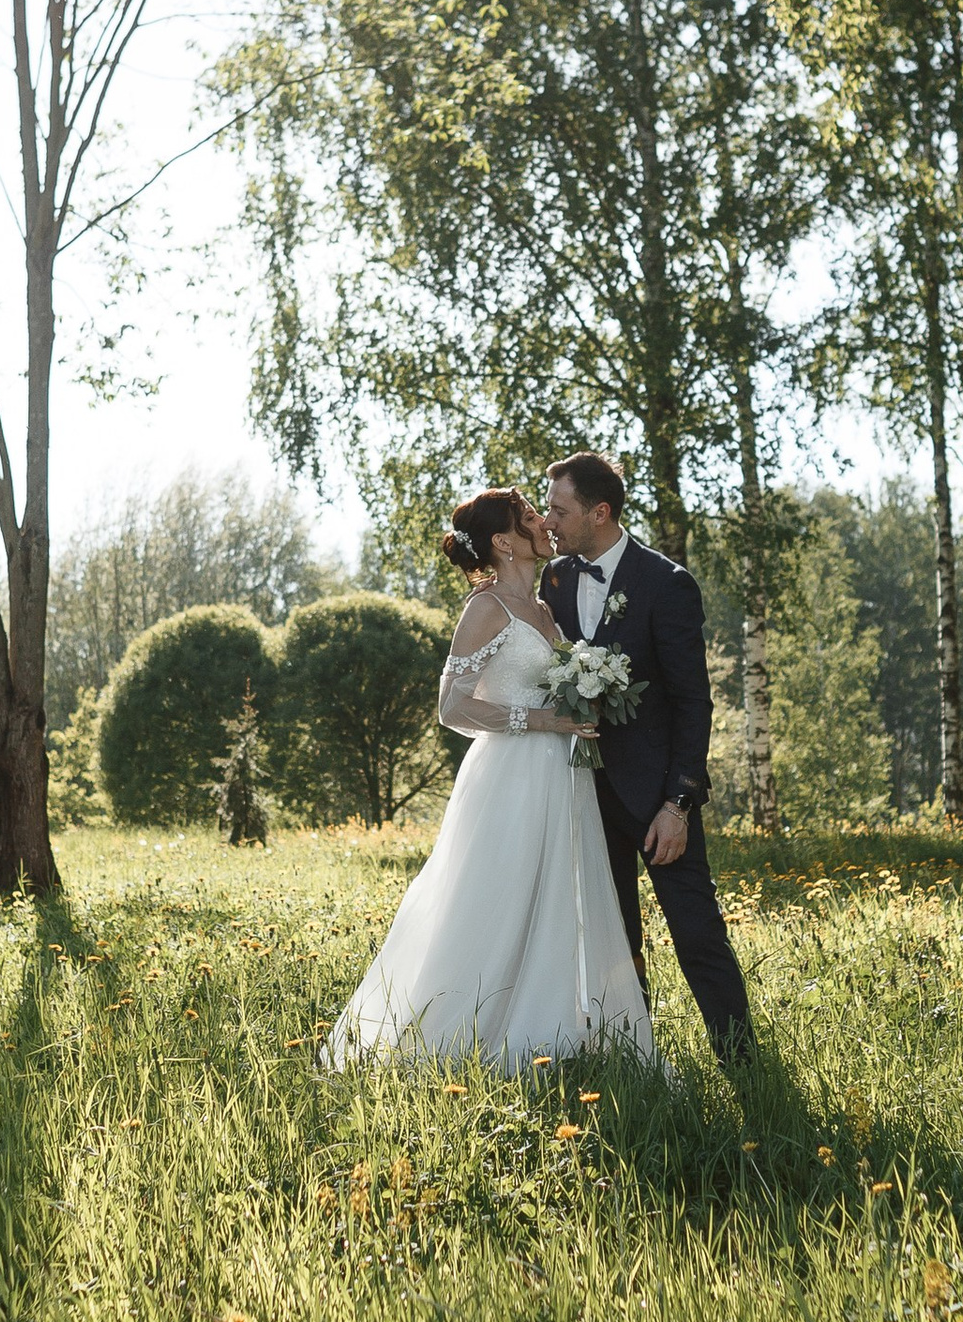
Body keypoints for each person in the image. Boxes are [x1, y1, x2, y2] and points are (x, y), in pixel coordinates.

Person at [320, 487, 655, 1071]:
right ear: (503, 542)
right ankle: (454, 1038)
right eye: (531, 518)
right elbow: (451, 707)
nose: (545, 523)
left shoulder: (546, 608)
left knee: (555, 898)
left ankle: (553, 1032)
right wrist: (545, 718)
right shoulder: (487, 607)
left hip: (561, 774)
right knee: (495, 897)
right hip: (510, 773)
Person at [540, 450, 751, 1056]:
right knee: (611, 939)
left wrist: (679, 803)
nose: (549, 520)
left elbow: (693, 702)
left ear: (599, 512)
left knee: (697, 932)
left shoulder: (666, 583)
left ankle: (741, 1061)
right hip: (581, 793)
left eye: (560, 509)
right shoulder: (554, 579)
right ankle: (632, 1058)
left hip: (657, 798)